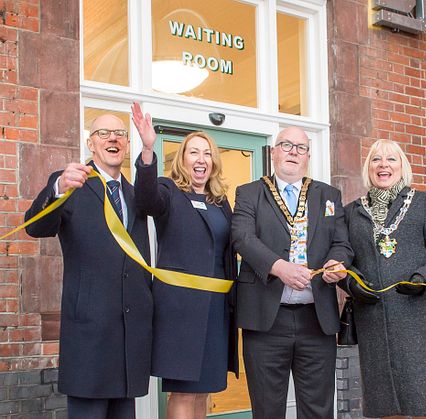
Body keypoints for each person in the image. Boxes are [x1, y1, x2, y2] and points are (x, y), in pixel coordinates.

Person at [24, 115, 152, 419]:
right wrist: (56, 187)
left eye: (120, 133)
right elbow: (35, 226)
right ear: (90, 142)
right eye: (103, 133)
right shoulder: (72, 183)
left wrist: (148, 151)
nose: (112, 139)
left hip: (129, 337)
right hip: (89, 336)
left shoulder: (135, 195)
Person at [230, 126, 353, 419]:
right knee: (268, 409)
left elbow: (342, 244)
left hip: (317, 319)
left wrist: (336, 262)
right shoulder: (250, 193)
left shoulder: (328, 194)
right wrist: (278, 267)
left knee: (318, 409)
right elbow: (242, 237)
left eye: (300, 147)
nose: (293, 152)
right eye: (286, 145)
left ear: (308, 156)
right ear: (273, 152)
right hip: (266, 321)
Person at [131, 103, 238, 419]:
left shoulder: (220, 202)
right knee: (183, 390)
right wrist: (148, 151)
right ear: (183, 158)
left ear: (213, 161)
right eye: (193, 152)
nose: (200, 159)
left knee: (203, 391)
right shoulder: (168, 190)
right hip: (179, 309)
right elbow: (146, 199)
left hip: (215, 308)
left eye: (206, 153)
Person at [343, 139, 426, 419]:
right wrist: (353, 284)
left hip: (417, 321)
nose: (383, 165)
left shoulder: (424, 203)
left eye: (391, 159)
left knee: (423, 405)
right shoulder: (351, 212)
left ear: (402, 166)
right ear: (367, 168)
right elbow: (344, 262)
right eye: (376, 159)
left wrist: (422, 278)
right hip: (373, 321)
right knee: (385, 407)